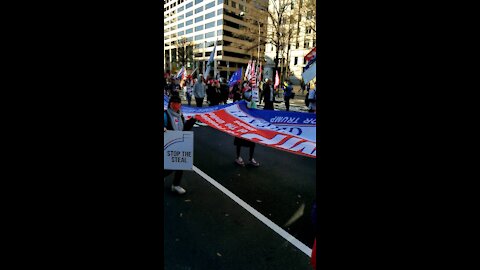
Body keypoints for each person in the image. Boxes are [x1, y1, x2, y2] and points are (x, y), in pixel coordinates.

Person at [164, 95, 197, 194]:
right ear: (171, 104)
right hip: (168, 142)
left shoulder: (180, 115)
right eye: (175, 103)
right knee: (169, 165)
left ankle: (176, 185)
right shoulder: (165, 114)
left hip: (179, 141)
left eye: (179, 103)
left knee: (181, 163)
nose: (178, 105)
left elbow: (184, 129)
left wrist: (193, 119)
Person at [233, 89, 259, 167]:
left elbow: (256, 114)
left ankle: (251, 158)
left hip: (250, 126)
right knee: (239, 143)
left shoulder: (253, 103)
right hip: (241, 126)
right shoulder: (241, 103)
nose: (251, 97)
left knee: (252, 143)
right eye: (250, 95)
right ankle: (238, 157)